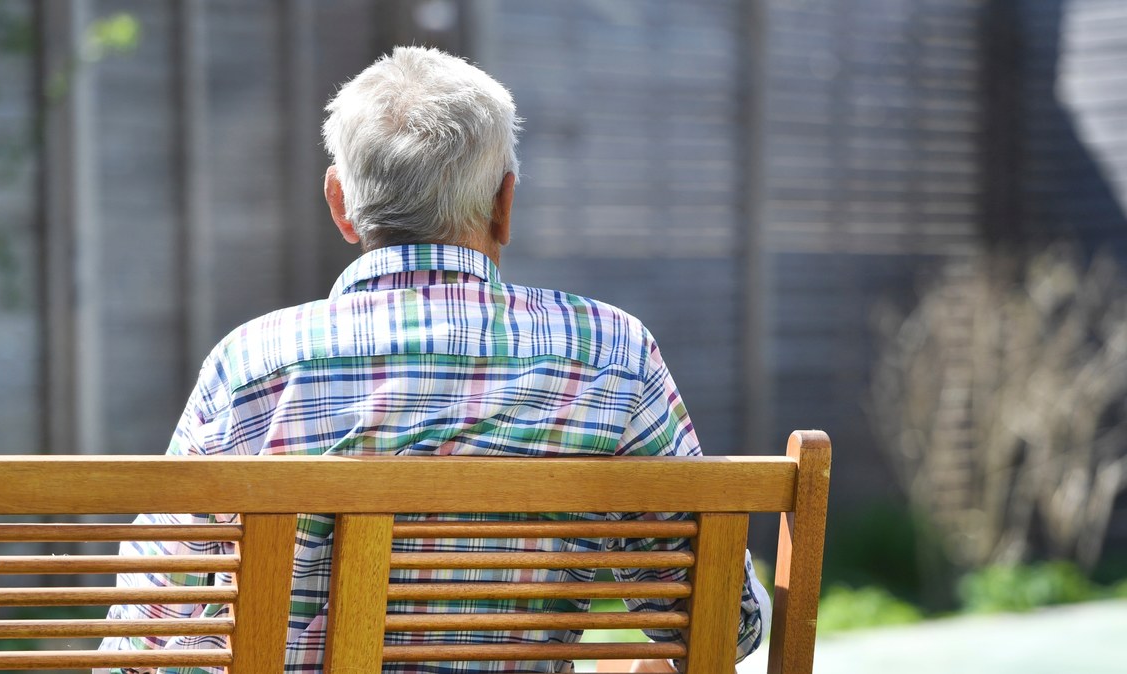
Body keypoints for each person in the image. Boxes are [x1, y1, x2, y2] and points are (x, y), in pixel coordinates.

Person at [100, 46, 768, 674]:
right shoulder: (611, 358)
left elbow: (143, 635)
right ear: (505, 204)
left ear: (340, 204)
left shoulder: (249, 368)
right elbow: (725, 624)